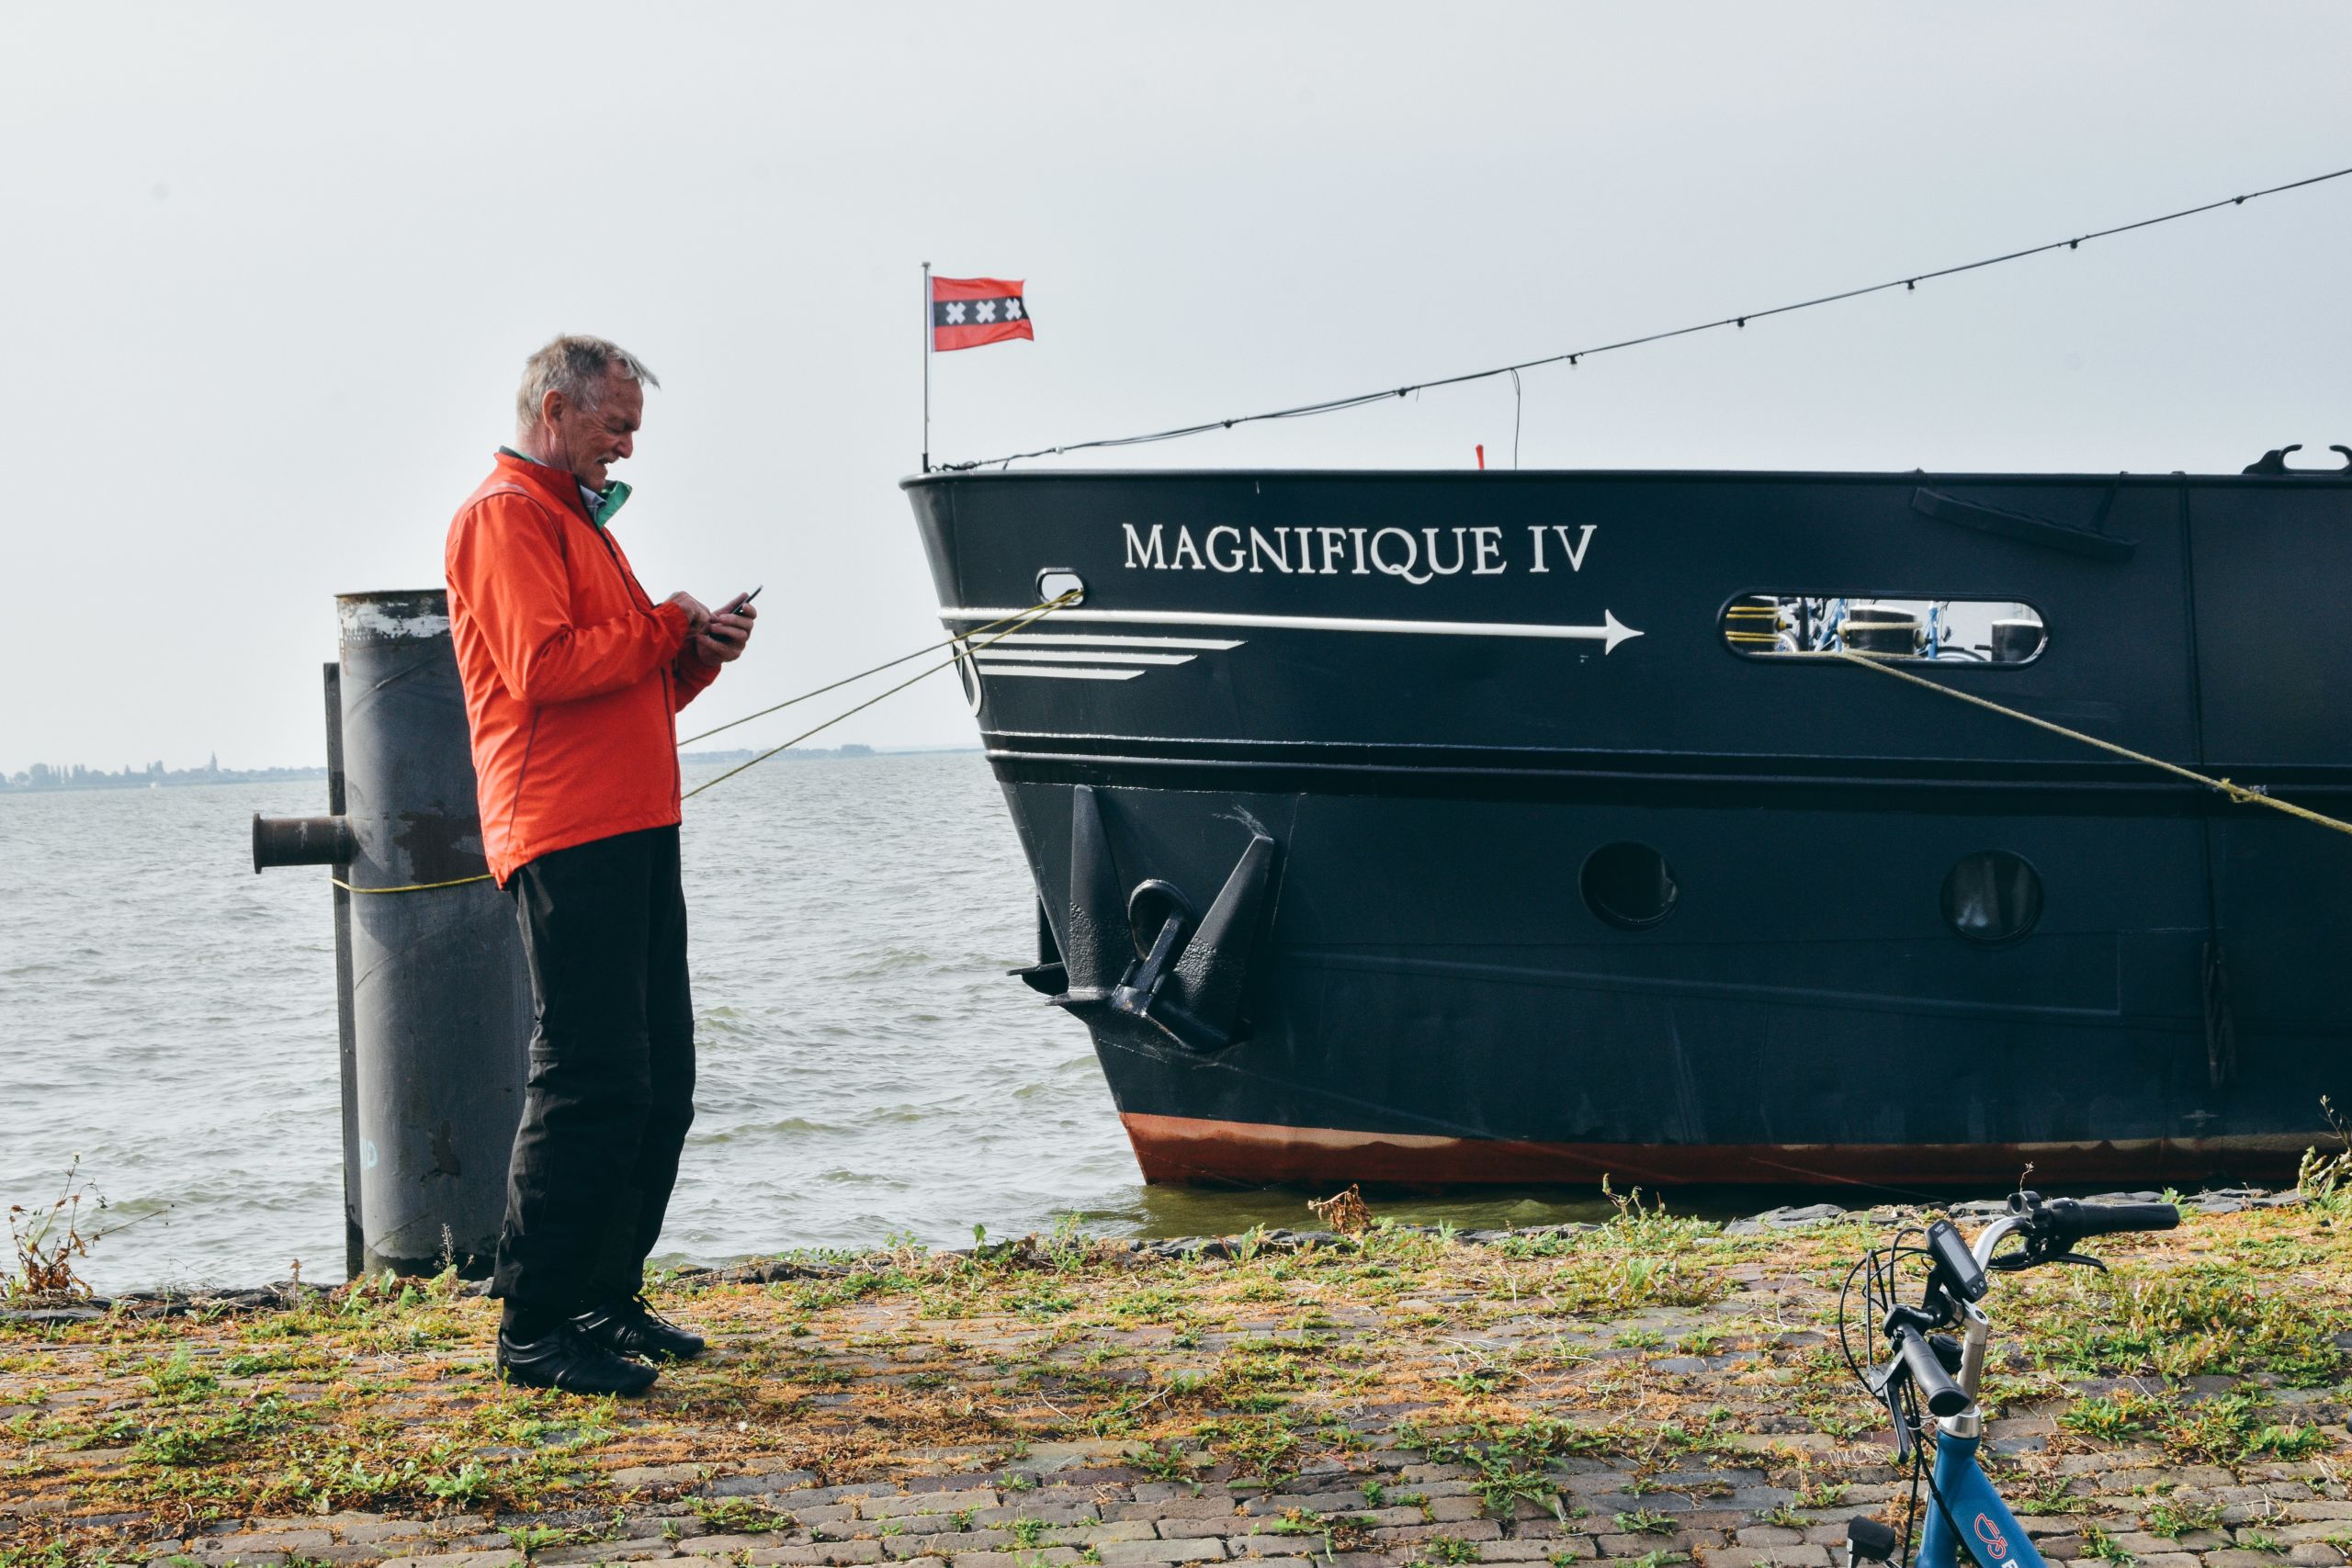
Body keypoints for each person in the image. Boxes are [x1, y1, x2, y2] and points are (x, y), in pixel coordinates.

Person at [443, 334, 756, 1395]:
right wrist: (666, 620)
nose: (626, 446)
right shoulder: (506, 516)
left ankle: (599, 1293)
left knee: (659, 1076)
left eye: (630, 428)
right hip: (563, 831)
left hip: (632, 822)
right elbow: (540, 666)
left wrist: (690, 660)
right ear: (553, 410)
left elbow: (624, 690)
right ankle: (534, 1325)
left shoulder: (576, 521)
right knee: (587, 1076)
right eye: (613, 424)